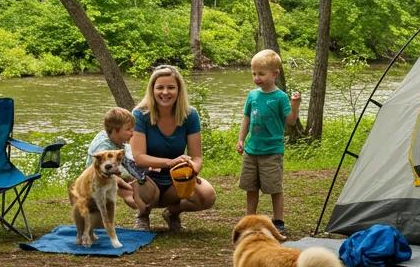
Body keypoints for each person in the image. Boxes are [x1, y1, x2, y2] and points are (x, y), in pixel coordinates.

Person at [125, 65, 216, 233]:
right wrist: (171, 162)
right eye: (160, 87)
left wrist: (192, 170)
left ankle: (172, 213)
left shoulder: (190, 115)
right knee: (138, 192)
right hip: (148, 178)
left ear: (179, 90)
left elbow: (197, 157)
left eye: (171, 87)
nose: (165, 92)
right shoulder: (139, 114)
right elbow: (139, 158)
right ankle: (143, 215)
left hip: (177, 179)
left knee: (207, 195)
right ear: (152, 89)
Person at [236, 49, 301, 235]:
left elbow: (291, 121)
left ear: (275, 74)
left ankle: (278, 220)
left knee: (274, 187)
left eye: (261, 74)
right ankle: (250, 218)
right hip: (251, 150)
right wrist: (241, 139)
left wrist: (295, 105)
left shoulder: (280, 97)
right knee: (250, 186)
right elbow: (246, 119)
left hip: (272, 151)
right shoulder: (252, 96)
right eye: (254, 74)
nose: (257, 78)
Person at [86, 107, 139, 213]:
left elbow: (125, 161)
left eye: (132, 129)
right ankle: (140, 207)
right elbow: (106, 170)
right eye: (128, 129)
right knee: (128, 190)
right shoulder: (103, 147)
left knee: (135, 180)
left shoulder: (116, 139)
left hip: (111, 172)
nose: (132, 133)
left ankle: (141, 203)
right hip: (97, 177)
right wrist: (127, 181)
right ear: (115, 131)